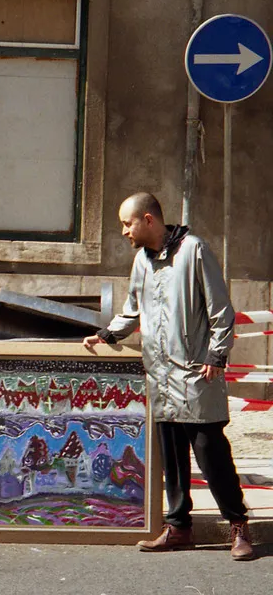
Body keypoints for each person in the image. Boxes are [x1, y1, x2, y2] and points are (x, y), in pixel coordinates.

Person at [82, 192, 254, 561]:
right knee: (172, 459)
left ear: (148, 219)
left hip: (196, 373)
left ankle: (238, 525)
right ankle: (179, 528)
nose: (124, 231)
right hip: (160, 376)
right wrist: (107, 334)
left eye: (127, 224)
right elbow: (132, 310)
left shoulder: (194, 251)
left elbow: (221, 310)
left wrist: (217, 354)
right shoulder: (141, 262)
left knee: (211, 453)